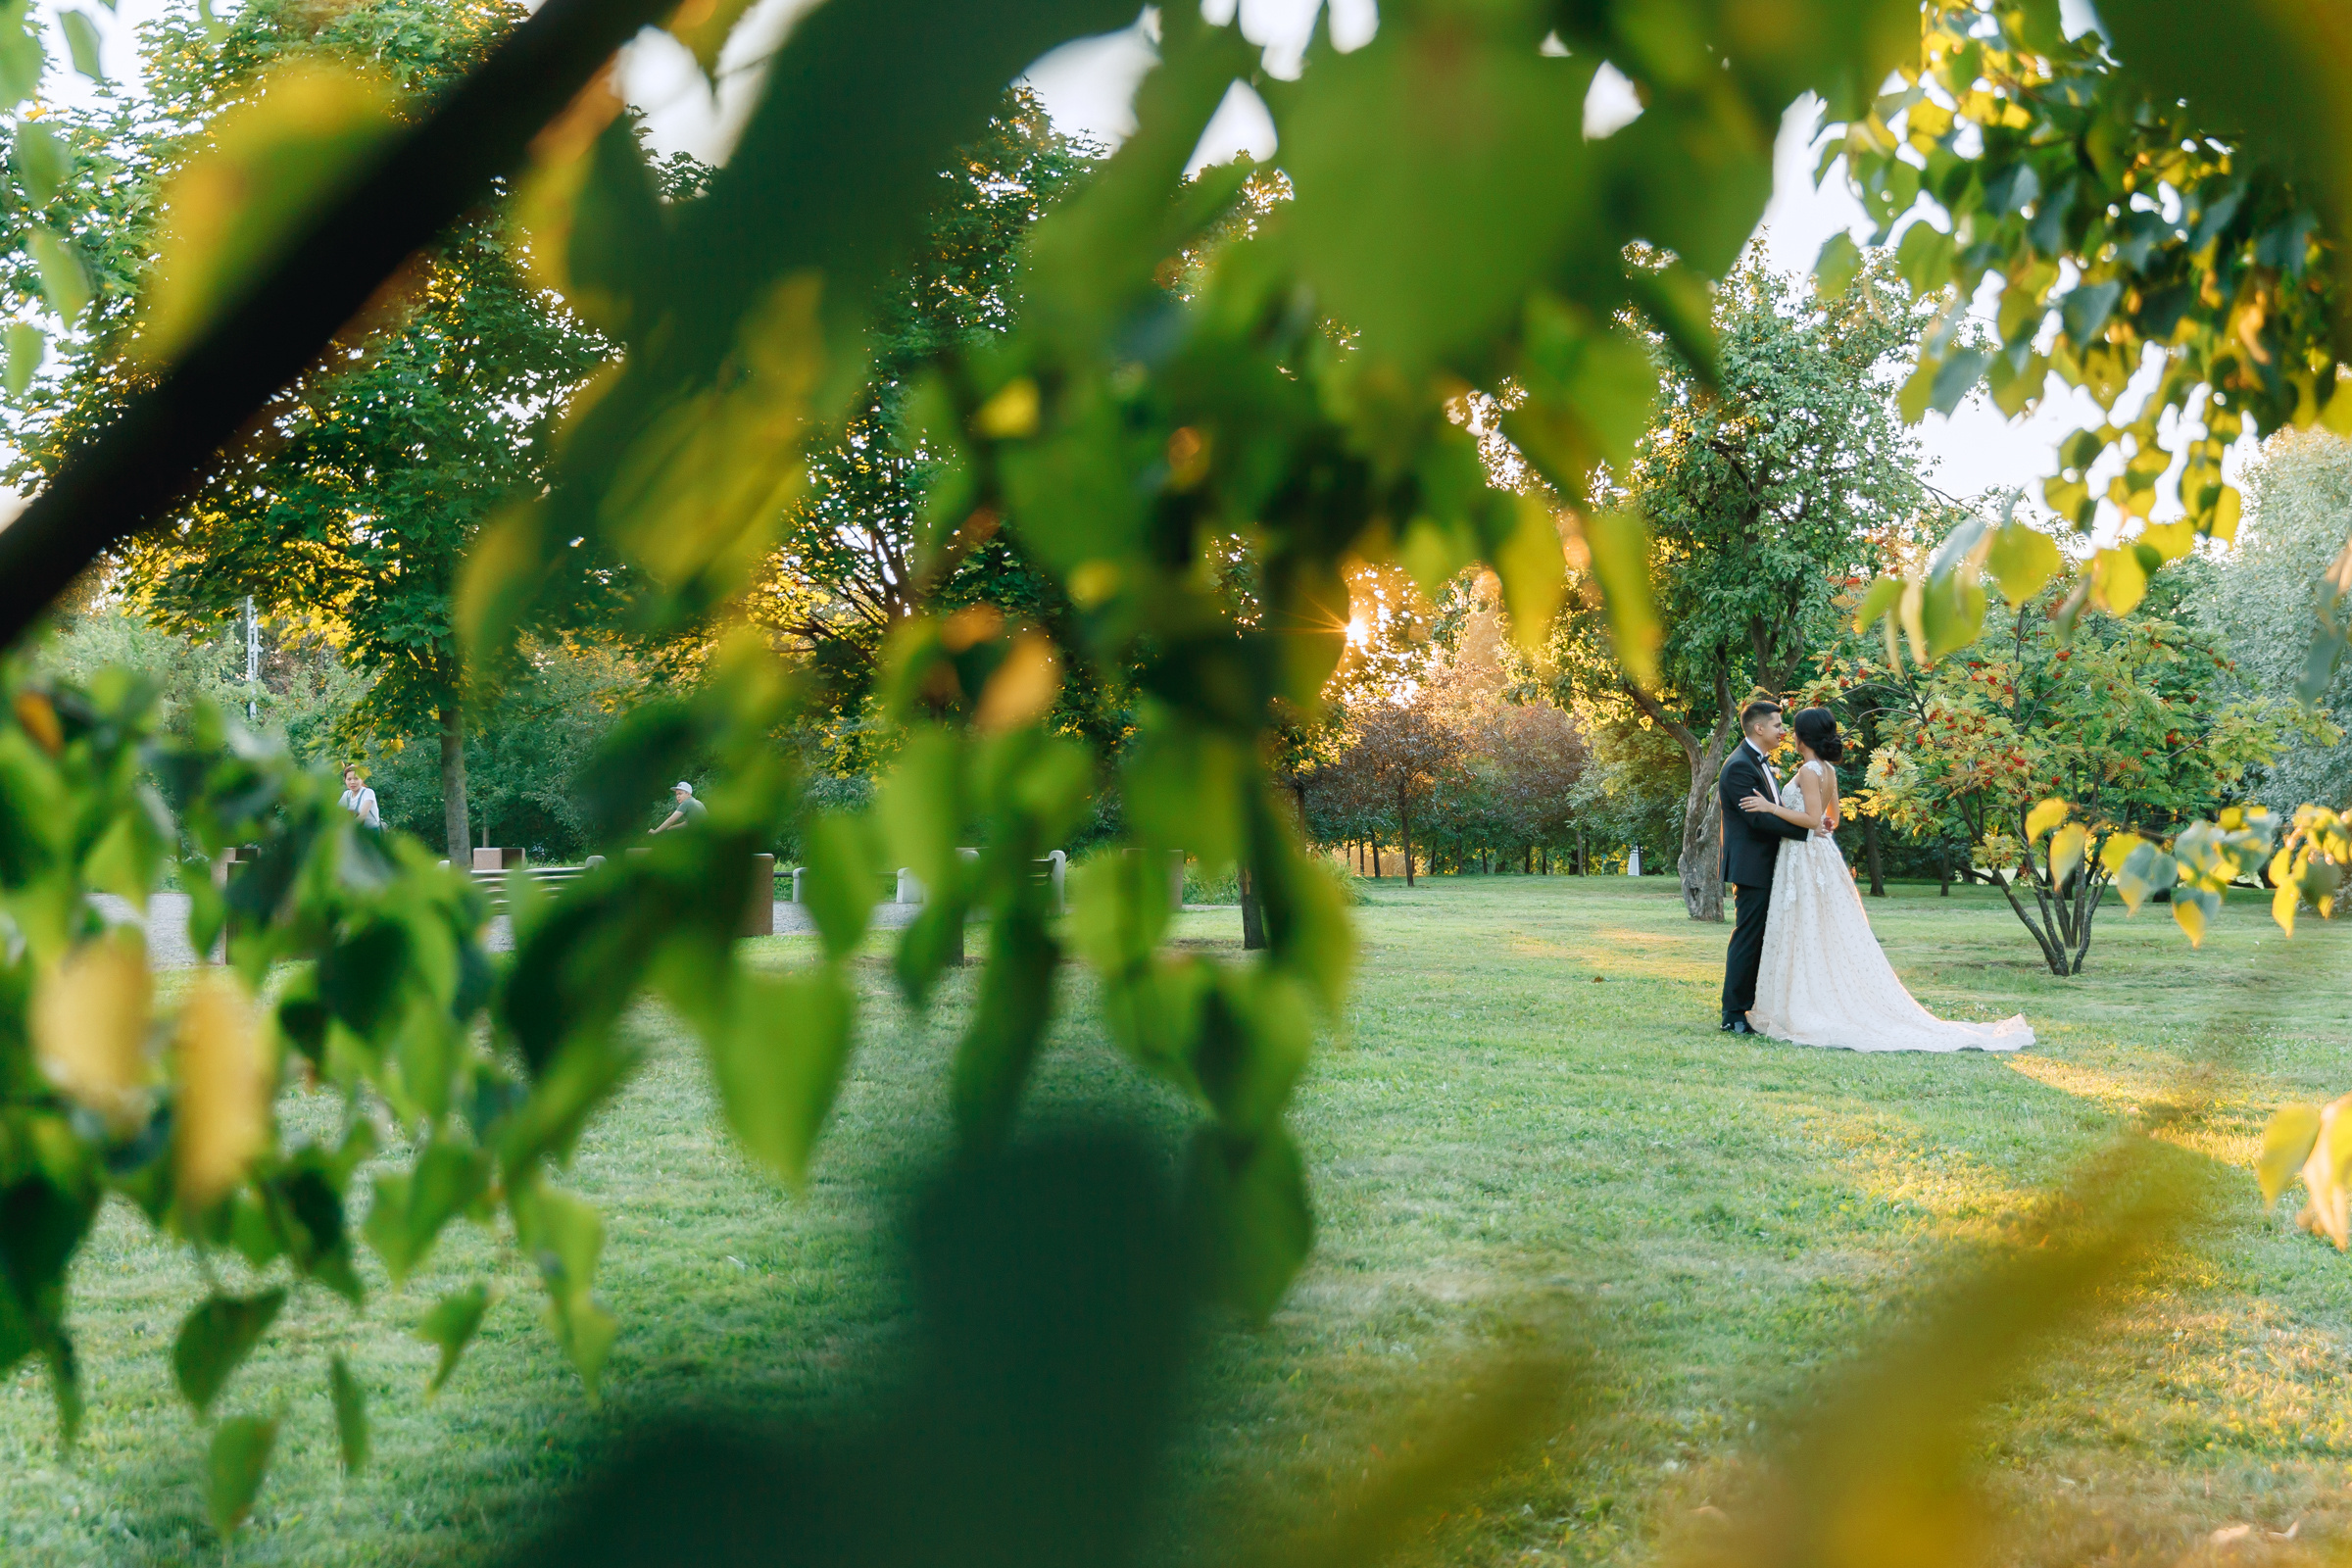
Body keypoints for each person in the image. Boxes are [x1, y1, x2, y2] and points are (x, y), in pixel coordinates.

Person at [1737, 707, 2034, 1053]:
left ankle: (1806, 1001)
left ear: (1803, 737)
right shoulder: (1828, 770)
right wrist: (1822, 824)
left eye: (1792, 729)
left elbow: (1813, 817)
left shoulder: (1807, 770)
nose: (1787, 732)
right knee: (1816, 925)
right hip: (1821, 854)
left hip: (1805, 856)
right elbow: (1833, 818)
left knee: (1805, 923)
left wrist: (1771, 808)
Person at [1718, 701, 1814, 1034]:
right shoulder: (1739, 767)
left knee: (1763, 937)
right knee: (1748, 937)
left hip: (1767, 864)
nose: (1782, 731)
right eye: (1777, 725)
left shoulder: (1759, 763)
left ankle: (1755, 1005)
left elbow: (1773, 810)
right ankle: (1733, 1013)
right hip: (1752, 866)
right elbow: (1758, 819)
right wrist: (1808, 830)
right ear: (1759, 728)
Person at [339, 765, 381, 832]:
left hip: (371, 832)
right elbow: (337, 812)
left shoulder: (368, 792)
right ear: (345, 780)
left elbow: (363, 815)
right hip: (356, 832)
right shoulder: (346, 794)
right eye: (349, 779)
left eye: (356, 778)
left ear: (362, 779)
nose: (352, 782)